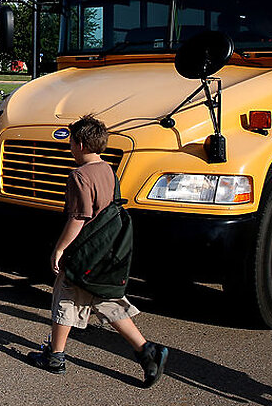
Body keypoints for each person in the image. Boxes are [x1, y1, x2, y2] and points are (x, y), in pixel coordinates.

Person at [26, 114, 170, 387]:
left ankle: (55, 356)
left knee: (65, 295)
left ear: (80, 143)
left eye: (70, 141)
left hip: (85, 250)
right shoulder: (108, 169)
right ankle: (146, 351)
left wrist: (59, 248)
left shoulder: (79, 175)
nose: (69, 146)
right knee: (105, 299)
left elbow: (79, 217)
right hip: (106, 248)